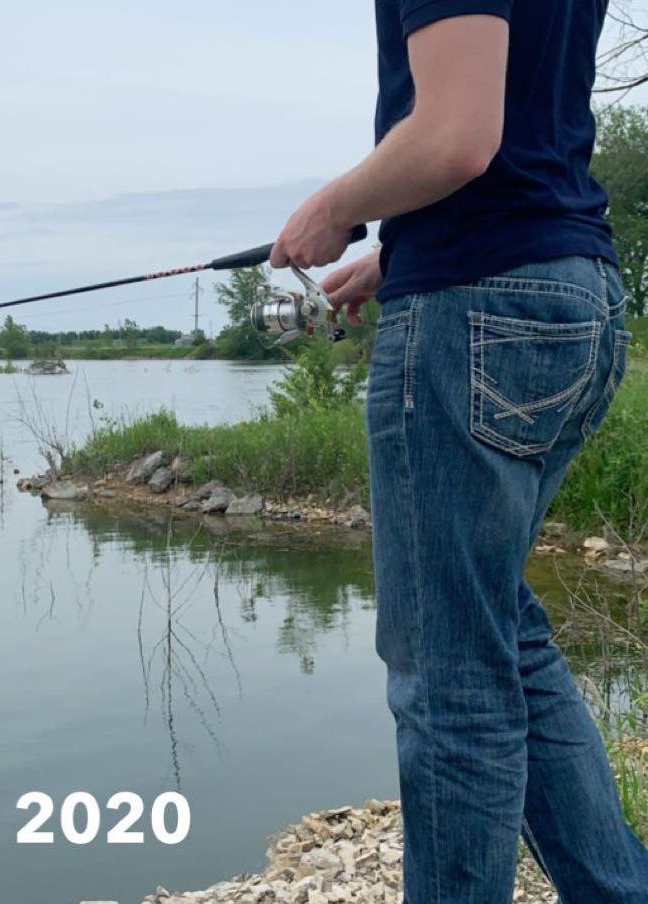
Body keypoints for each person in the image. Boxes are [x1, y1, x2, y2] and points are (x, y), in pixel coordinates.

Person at [269, 3, 648, 902]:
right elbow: (517, 131)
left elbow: (456, 138)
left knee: (449, 673)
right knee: (498, 630)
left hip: (479, 305)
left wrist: (337, 207)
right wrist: (397, 247)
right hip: (576, 284)